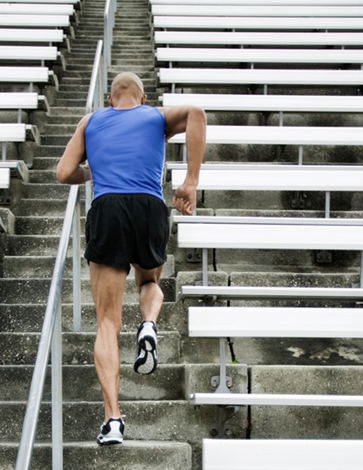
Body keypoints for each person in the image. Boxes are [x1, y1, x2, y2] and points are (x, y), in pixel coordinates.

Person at [56, 72, 206, 445]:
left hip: (108, 208)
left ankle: (113, 421)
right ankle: (150, 325)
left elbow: (62, 173)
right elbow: (197, 114)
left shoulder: (91, 121)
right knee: (151, 281)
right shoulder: (155, 116)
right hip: (149, 206)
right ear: (141, 98)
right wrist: (189, 181)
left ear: (110, 100)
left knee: (107, 322)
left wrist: (93, 170)